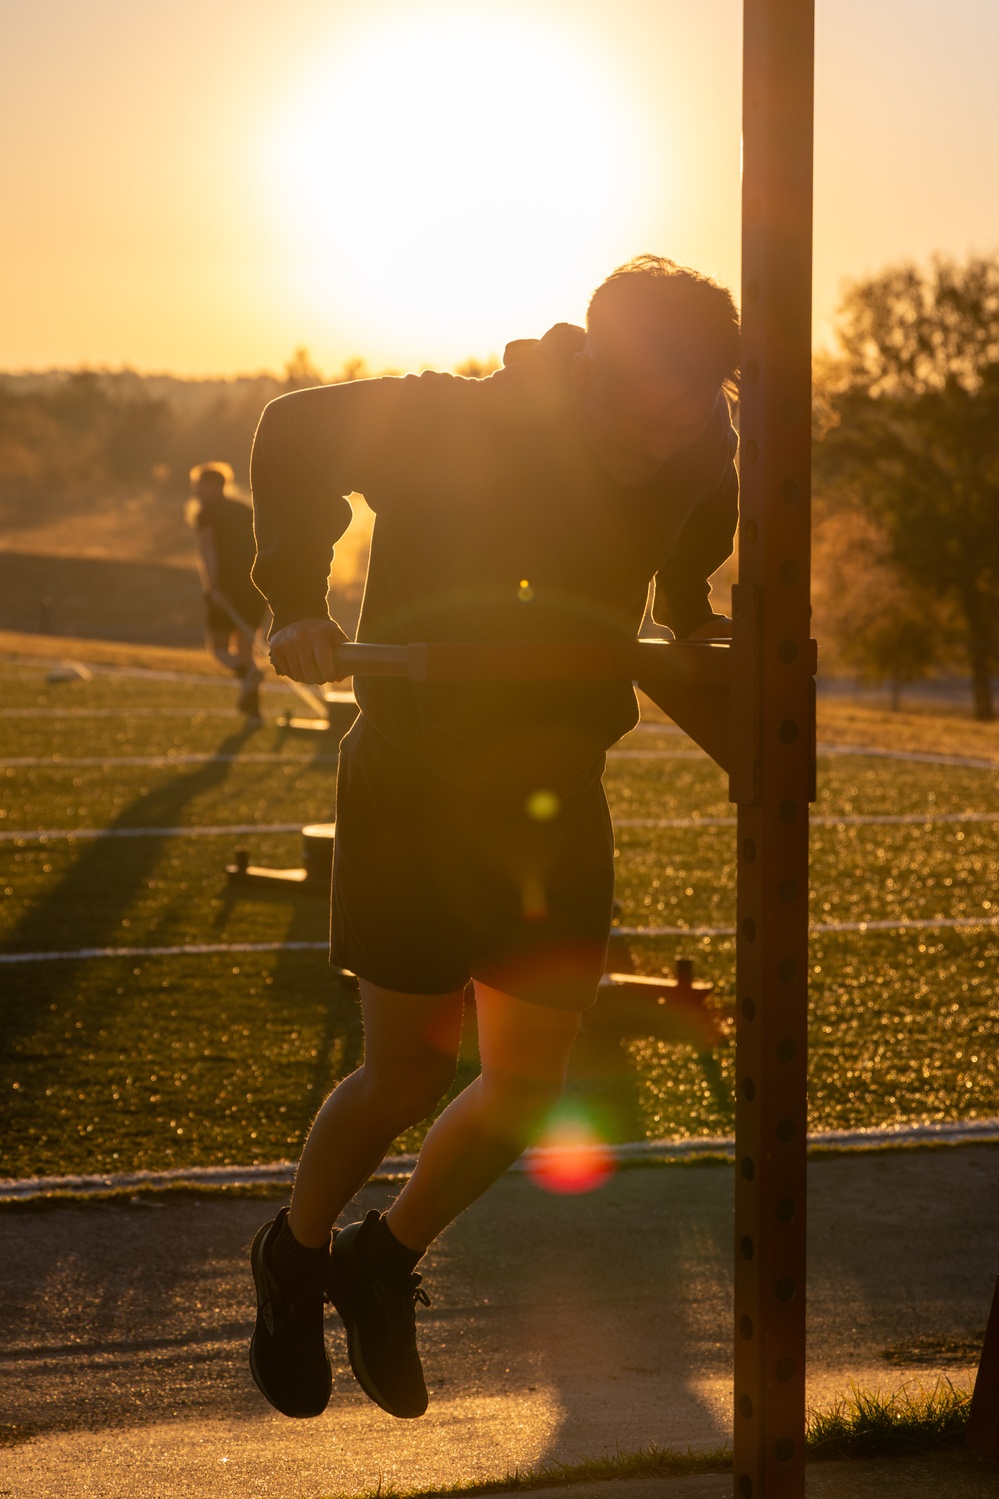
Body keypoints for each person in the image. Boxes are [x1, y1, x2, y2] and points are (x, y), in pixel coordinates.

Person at [246, 256, 740, 1421]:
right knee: (409, 1065)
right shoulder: (460, 420)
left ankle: (384, 1257)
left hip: (553, 785)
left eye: (701, 403)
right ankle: (297, 1251)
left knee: (527, 1082)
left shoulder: (700, 442)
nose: (677, 431)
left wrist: (686, 610)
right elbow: (292, 434)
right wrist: (296, 599)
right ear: (593, 371)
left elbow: (699, 513)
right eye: (658, 404)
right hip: (415, 772)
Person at [186, 461, 268, 722]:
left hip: (228, 587)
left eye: (198, 485)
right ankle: (253, 711)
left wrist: (213, 588)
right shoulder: (245, 510)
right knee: (246, 649)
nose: (195, 491)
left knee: (219, 648)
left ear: (211, 486)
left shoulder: (207, 513)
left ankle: (247, 674)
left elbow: (208, 551)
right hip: (256, 588)